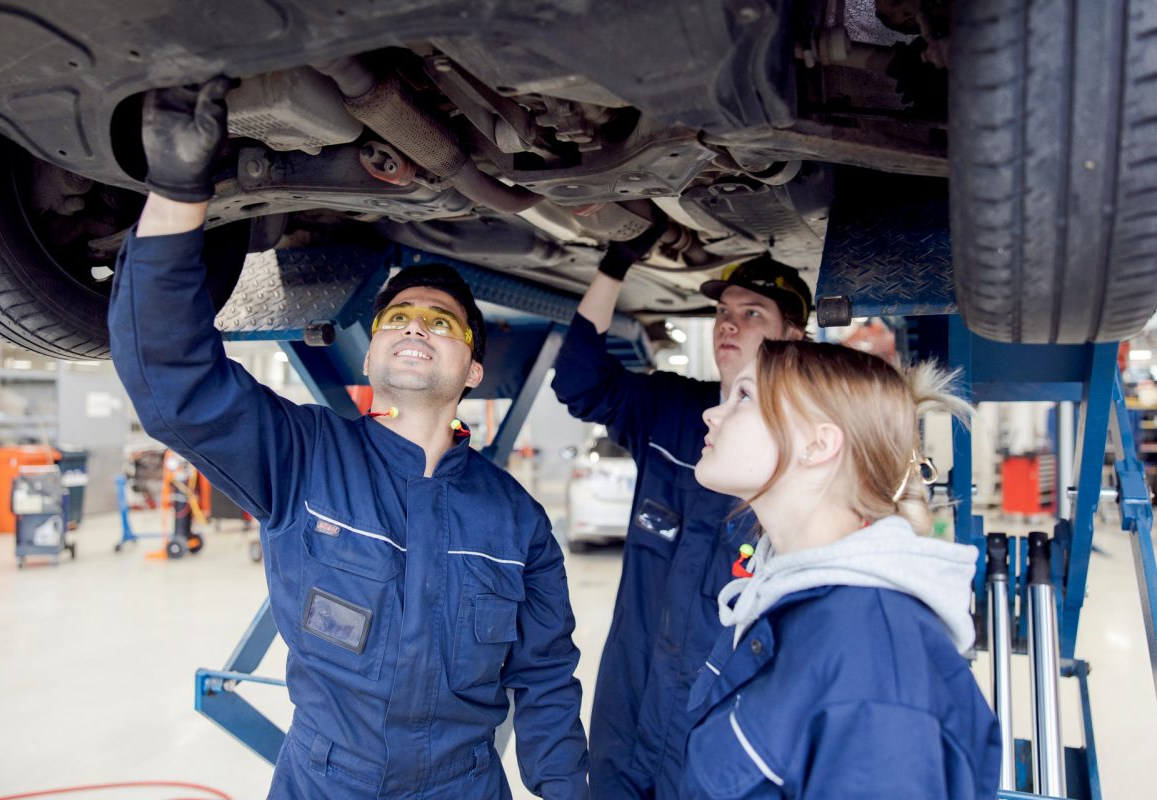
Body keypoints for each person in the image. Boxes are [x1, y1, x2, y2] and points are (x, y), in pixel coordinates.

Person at [109, 79, 589, 799]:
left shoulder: (517, 521)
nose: (416, 326)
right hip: (326, 782)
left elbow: (545, 677)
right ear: (369, 358)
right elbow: (173, 384)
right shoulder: (301, 457)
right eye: (397, 319)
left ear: (473, 369)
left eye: (443, 323)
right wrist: (178, 189)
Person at [551, 227, 814, 797]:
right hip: (631, 693)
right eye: (723, 311)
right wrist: (615, 262)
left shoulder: (804, 450)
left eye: (751, 314)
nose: (728, 323)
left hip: (717, 713)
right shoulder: (674, 410)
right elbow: (576, 381)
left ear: (792, 335)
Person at [683, 341, 1001, 798]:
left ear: (818, 444)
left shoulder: (874, 671)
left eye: (745, 396)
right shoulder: (788, 603)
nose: (713, 414)